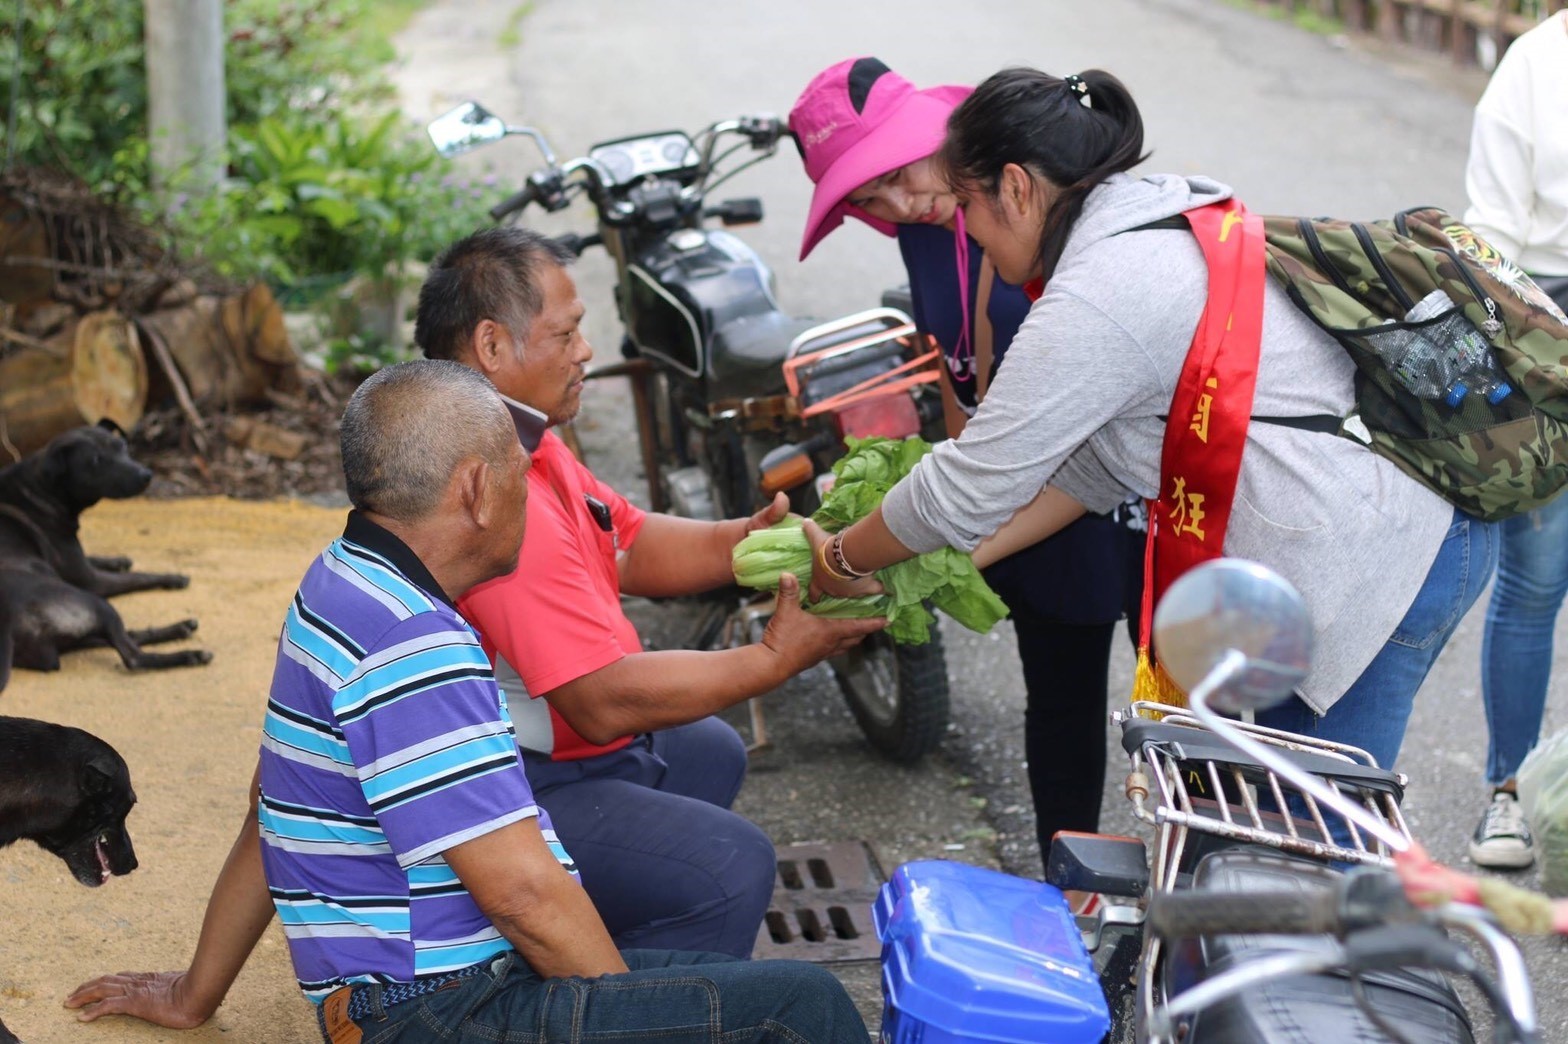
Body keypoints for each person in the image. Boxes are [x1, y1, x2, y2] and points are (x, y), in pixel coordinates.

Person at [63, 235, 885, 1030]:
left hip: (434, 978)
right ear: (475, 491)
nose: (539, 484)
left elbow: (273, 804)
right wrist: (631, 1022)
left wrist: (194, 992)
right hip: (431, 1004)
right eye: (518, 473)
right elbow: (523, 896)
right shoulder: (418, 649)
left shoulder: (337, 579)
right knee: (801, 1003)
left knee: (754, 958)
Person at [801, 65, 1498, 778]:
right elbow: (1090, 472)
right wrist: (926, 562)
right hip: (1376, 538)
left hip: (1382, 561)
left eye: (970, 209)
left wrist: (840, 561)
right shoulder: (1142, 221)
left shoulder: (1102, 291)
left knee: (1313, 836)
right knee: (1276, 820)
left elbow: (965, 480)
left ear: (1015, 187)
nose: (970, 234)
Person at [788, 57, 1142, 878]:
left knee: (1186, 704)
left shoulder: (1034, 184)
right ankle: (1074, 893)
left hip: (1138, 474)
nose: (904, 202)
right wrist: (942, 508)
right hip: (1027, 493)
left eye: (900, 173)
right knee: (1061, 696)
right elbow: (958, 375)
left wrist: (858, 554)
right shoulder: (927, 228)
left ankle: (1214, 911)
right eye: (870, 197)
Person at [1460, 8, 1568, 871]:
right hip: (1545, 323)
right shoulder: (1535, 65)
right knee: (1536, 578)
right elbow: (1490, 233)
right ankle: (1510, 794)